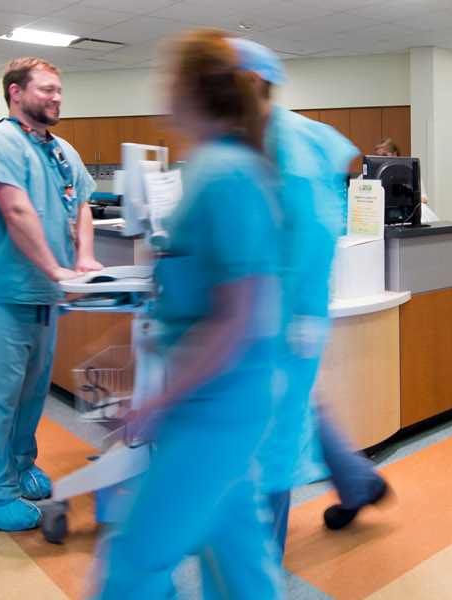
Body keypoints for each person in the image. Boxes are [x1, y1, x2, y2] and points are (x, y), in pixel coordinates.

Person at [96, 28, 285, 599]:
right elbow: (189, 293)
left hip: (217, 409)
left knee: (134, 563)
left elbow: (237, 318)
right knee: (240, 557)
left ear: (186, 85)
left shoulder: (227, 176)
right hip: (211, 403)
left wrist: (158, 400)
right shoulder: (204, 170)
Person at [225, 36, 392, 556]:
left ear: (250, 81)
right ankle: (357, 480)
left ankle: (258, 570)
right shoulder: (266, 135)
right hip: (280, 315)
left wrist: (286, 318)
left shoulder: (284, 145)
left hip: (280, 317)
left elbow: (315, 231)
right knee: (296, 410)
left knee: (265, 442)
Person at [0, 57, 100, 531]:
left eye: (58, 89)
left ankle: (20, 467)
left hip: (43, 296)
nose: (56, 97)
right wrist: (56, 270)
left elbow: (81, 202)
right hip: (1, 294)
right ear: (15, 93)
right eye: (45, 89)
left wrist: (83, 259)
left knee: (31, 394)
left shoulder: (60, 149)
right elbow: (16, 211)